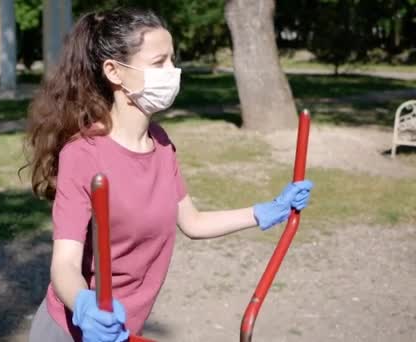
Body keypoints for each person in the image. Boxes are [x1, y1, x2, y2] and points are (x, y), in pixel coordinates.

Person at [23, 8, 313, 342]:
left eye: (172, 61)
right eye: (159, 62)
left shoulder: (161, 145)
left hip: (129, 331)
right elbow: (64, 265)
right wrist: (85, 307)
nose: (172, 72)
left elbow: (193, 222)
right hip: (74, 331)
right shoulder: (83, 155)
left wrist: (266, 211)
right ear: (115, 72)